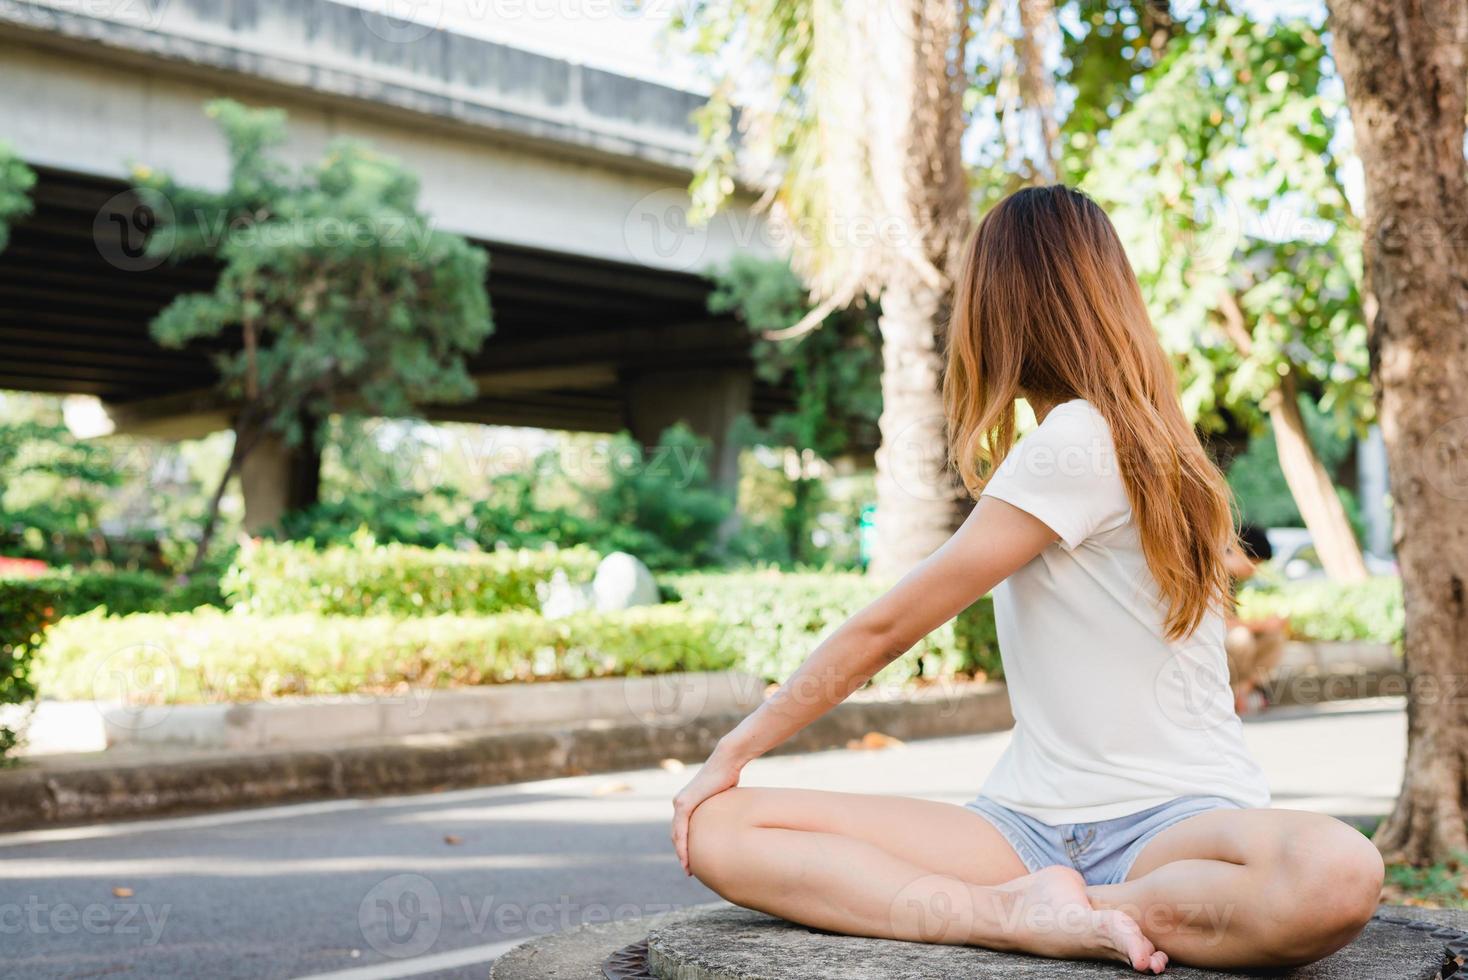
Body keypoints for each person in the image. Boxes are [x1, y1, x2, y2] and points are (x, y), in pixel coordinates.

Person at [670, 186, 1383, 973]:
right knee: (718, 832)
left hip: (1173, 827)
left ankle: (1061, 909)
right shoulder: (1136, 443)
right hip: (1024, 828)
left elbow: (890, 627)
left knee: (1336, 871)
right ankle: (1009, 914)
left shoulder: (1080, 439)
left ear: (997, 309)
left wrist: (732, 751)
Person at [1223, 526, 1289, 715]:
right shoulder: (1212, 573)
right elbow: (1221, 625)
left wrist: (1267, 627)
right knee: (1241, 638)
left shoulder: (1232, 579)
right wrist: (1263, 624)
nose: (1254, 571)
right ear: (1238, 551)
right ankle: (1233, 694)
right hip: (1210, 646)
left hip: (1227, 647)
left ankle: (1242, 690)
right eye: (1254, 563)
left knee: (1273, 636)